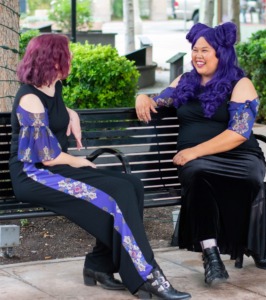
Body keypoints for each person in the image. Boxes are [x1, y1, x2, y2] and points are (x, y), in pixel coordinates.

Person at [9, 33, 191, 300]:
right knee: (117, 193)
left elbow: (55, 112)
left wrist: (71, 113)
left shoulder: (53, 86)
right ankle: (146, 276)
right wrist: (78, 161)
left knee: (132, 185)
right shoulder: (29, 98)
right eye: (66, 54)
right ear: (53, 59)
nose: (70, 59)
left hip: (56, 169)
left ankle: (99, 264)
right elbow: (46, 156)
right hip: (35, 175)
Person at [136, 22, 266, 286]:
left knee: (245, 179)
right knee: (198, 176)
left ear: (221, 53)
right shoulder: (185, 82)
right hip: (195, 162)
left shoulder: (240, 83)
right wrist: (142, 99)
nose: (197, 56)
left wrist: (194, 151)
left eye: (205, 50)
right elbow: (158, 101)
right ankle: (211, 255)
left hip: (239, 158)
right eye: (194, 50)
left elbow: (239, 133)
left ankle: (252, 244)